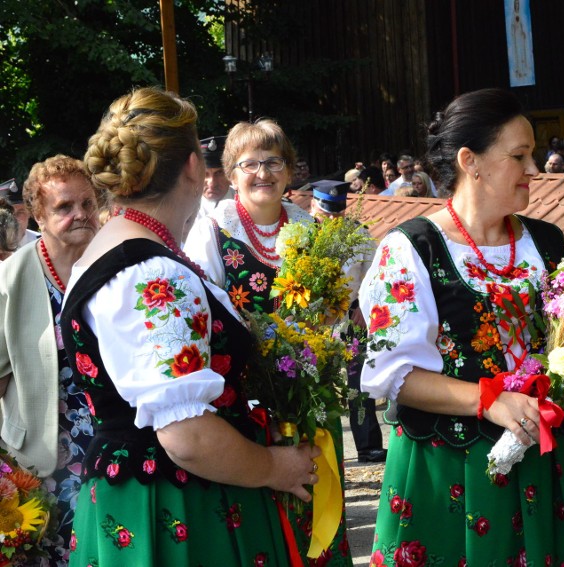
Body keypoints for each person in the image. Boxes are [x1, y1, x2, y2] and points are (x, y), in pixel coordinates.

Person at [359, 88, 564, 565]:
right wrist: (489, 401)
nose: (534, 168)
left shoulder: (546, 244)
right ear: (471, 161)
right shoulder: (410, 250)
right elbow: (394, 375)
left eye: (533, 153)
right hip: (446, 466)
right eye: (519, 155)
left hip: (540, 463)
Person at [58, 87, 321, 566]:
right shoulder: (151, 271)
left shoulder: (106, 252)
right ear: (194, 167)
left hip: (133, 495)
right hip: (178, 504)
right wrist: (273, 468)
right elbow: (188, 436)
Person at [183, 118, 354, 565]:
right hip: (246, 399)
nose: (263, 173)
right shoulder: (211, 231)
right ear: (230, 172)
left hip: (307, 390)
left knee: (317, 508)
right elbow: (206, 319)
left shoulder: (311, 230)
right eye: (250, 163)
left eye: (274, 161)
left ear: (291, 170)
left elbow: (332, 310)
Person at [0, 155, 102, 565]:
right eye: (64, 207)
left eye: (88, 204)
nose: (80, 215)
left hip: (114, 447)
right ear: (38, 216)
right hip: (46, 458)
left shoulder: (113, 263)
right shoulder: (12, 279)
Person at [307, 180, 386, 464]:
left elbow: (375, 276)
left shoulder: (359, 236)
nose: (332, 218)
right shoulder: (301, 236)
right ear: (313, 205)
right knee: (315, 383)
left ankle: (367, 445)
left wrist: (364, 309)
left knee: (358, 381)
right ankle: (318, 447)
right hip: (312, 319)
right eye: (326, 212)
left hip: (352, 316)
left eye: (337, 213)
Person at [194, 135, 233, 225]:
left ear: (230, 174)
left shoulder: (245, 202)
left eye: (219, 173)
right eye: (205, 174)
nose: (212, 183)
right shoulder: (185, 208)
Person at [0, 178, 40, 249]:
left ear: (29, 214)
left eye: (21, 212)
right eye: (8, 212)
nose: (14, 218)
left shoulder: (42, 243)